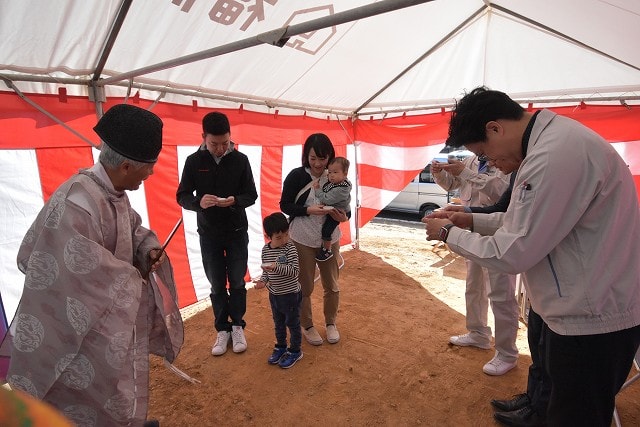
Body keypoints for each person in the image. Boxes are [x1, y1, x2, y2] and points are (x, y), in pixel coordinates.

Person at [424, 87, 640, 426]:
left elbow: (513, 252)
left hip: (590, 319)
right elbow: (525, 222)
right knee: (558, 406)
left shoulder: (551, 156)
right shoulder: (551, 144)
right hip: (578, 309)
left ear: (494, 128)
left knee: (573, 417)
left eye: (486, 153)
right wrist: (471, 219)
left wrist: (449, 233)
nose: (492, 163)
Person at [3, 104, 184, 427]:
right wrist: (131, 276)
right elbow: (82, 275)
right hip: (72, 331)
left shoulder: (112, 192)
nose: (151, 174)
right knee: (82, 396)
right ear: (127, 166)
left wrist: (147, 249)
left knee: (110, 387)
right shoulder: (78, 203)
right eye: (149, 167)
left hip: (98, 321)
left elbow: (131, 230)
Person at [176, 111, 258, 356]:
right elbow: (182, 195)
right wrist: (197, 203)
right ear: (203, 137)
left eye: (225, 143)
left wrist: (235, 200)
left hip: (236, 231)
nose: (221, 149)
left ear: (230, 137)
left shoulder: (241, 160)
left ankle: (237, 326)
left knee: (237, 280)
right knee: (216, 283)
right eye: (214, 144)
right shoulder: (193, 161)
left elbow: (251, 195)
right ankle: (222, 329)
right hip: (209, 233)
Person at [431, 154, 519, 376]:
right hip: (472, 230)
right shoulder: (470, 160)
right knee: (474, 286)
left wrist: (465, 172)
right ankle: (478, 333)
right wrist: (439, 174)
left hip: (498, 234)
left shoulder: (508, 157)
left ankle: (507, 352)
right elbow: (454, 184)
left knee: (501, 294)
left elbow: (502, 196)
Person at [280, 133, 349, 346]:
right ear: (306, 157)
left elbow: (346, 206)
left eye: (322, 158)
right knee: (304, 286)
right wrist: (308, 209)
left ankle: (331, 323)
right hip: (302, 237)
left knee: (332, 284)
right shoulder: (296, 176)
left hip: (330, 238)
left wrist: (344, 216)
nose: (318, 164)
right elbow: (285, 205)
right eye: (313, 159)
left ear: (330, 156)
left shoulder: (337, 176)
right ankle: (307, 325)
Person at [253, 212, 303, 369]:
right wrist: (262, 281)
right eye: (279, 237)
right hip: (274, 294)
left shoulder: (290, 248)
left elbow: (294, 271)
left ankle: (295, 351)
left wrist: (277, 267)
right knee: (279, 323)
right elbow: (267, 271)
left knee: (292, 323)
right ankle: (280, 347)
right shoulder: (265, 250)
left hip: (291, 294)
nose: (284, 240)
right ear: (268, 237)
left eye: (286, 235)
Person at [313, 156, 352, 262]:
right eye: (330, 172)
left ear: (345, 174)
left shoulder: (342, 188)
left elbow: (327, 199)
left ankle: (326, 250)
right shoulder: (336, 183)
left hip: (340, 212)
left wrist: (317, 190)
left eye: (335, 172)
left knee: (327, 230)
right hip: (336, 210)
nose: (331, 175)